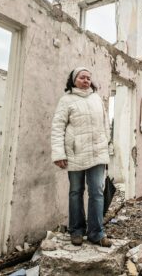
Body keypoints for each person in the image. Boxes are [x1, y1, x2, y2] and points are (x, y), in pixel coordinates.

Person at [51, 67, 112, 247]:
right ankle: (76, 230)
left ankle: (96, 233)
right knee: (76, 192)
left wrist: (106, 143)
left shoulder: (96, 99)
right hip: (75, 153)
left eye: (88, 78)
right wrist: (58, 153)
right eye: (82, 77)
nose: (86, 80)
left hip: (97, 153)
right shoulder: (66, 100)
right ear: (73, 80)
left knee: (97, 192)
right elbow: (57, 127)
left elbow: (105, 124)